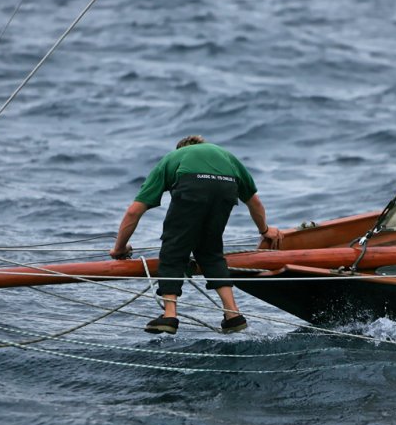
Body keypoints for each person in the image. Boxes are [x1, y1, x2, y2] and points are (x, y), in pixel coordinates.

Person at [109, 135, 283, 334]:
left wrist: (119, 248)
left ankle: (170, 315)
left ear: (181, 149)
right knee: (210, 251)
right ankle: (233, 314)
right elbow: (255, 203)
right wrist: (265, 230)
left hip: (191, 185)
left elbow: (134, 211)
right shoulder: (226, 156)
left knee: (174, 249)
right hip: (227, 187)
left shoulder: (173, 157)